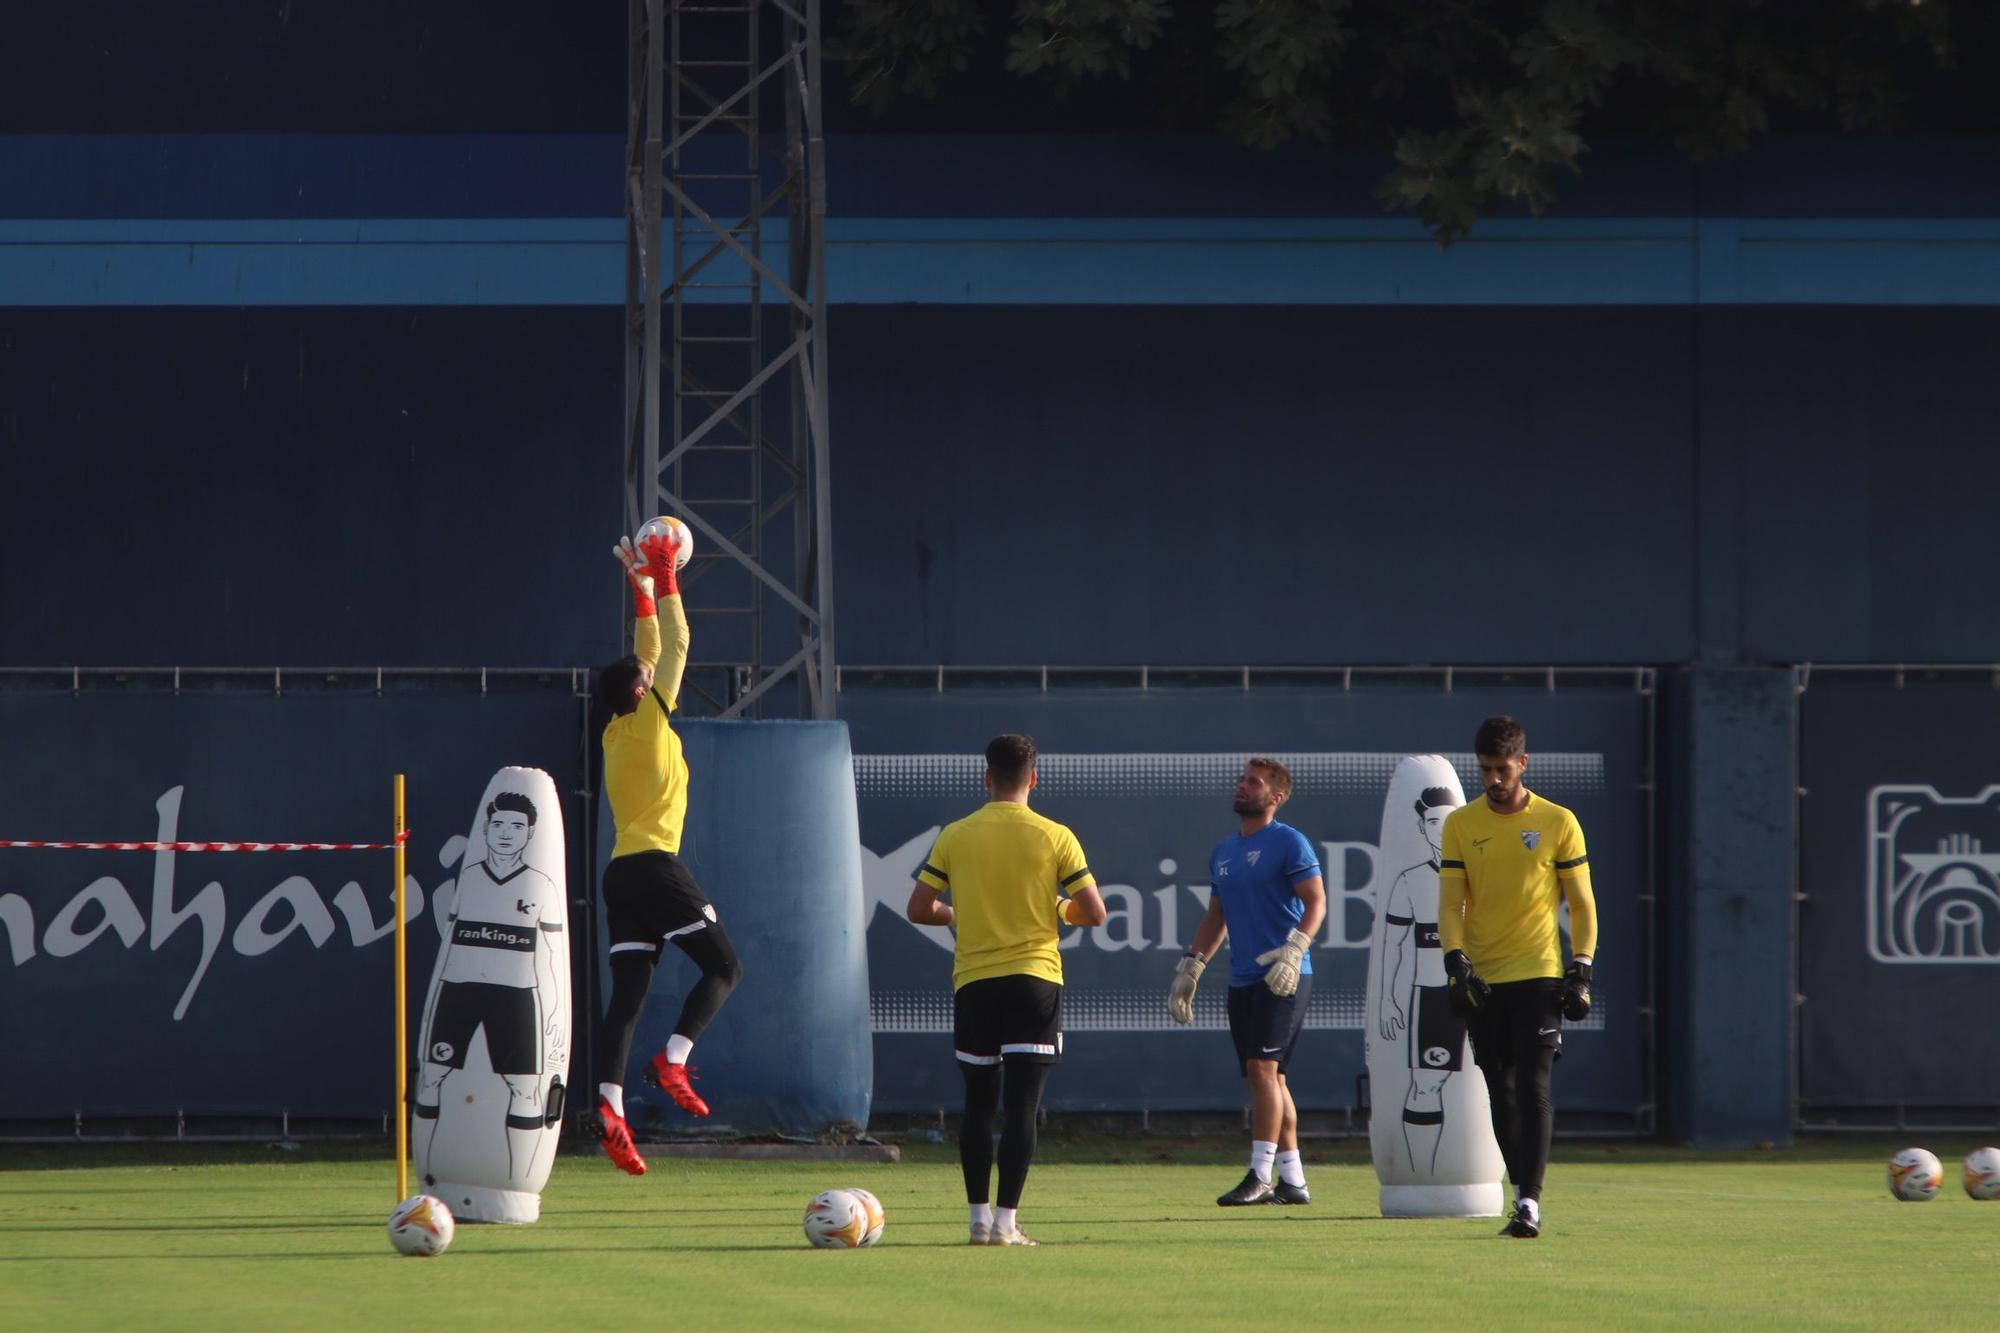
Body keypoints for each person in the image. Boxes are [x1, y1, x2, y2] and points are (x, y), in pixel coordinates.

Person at [906, 734, 1108, 1246]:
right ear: (1034, 779)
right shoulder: (1055, 835)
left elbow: (919, 908)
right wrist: (1058, 909)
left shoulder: (957, 834)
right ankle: (1006, 1225)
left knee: (977, 1104)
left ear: (986, 776)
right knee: (1022, 1105)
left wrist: (959, 912)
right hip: (1035, 980)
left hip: (975, 982)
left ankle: (977, 1221)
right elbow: (1093, 912)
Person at [589, 527, 745, 1176]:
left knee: (627, 995)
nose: (657, 675)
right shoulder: (651, 719)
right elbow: (676, 644)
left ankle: (610, 1105)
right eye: (650, 680)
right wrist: (667, 577)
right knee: (724, 967)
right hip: (654, 867)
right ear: (643, 692)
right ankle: (673, 1058)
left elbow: (648, 651)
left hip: (619, 876)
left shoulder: (614, 731)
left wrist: (641, 589)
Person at [1438, 715, 1598, 1239]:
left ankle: (1530, 1201)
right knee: (1499, 1090)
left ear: (1522, 764)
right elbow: (1451, 903)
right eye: (1485, 769)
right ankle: (1519, 1196)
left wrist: (1582, 968)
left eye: (1502, 768)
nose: (1493, 779)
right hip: (1485, 978)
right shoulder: (1461, 824)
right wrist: (1455, 958)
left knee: (1534, 1086)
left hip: (1539, 972)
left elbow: (1581, 902)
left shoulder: (1558, 821)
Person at [1168, 758, 1327, 1206]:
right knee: (1271, 1080)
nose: (1242, 787)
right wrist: (1192, 964)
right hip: (1243, 979)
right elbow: (1216, 916)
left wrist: (1295, 951)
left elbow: (1317, 903)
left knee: (1263, 1071)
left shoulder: (1289, 843)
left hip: (1284, 975)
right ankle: (1294, 1180)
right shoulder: (1224, 851)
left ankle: (1260, 1175)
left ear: (1274, 797)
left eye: (1252, 782)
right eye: (1242, 780)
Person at [412, 790, 565, 1178]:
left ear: (530, 834)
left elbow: (548, 954)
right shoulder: (470, 881)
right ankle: (431, 1175)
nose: (506, 833)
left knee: (526, 1089)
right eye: (498, 824)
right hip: (459, 991)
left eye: (517, 826)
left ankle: (516, 1180)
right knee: (432, 1078)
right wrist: (431, 1012)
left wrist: (554, 1009)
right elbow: (448, 947)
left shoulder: (540, 886)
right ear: (486, 828)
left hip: (515, 998)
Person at [1378, 785, 1466, 1173]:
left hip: (1488, 992)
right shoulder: (1410, 881)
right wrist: (1386, 998)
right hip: (1434, 996)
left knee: (1498, 1085)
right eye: (1433, 821)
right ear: (1421, 826)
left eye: (1448, 821)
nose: (1441, 829)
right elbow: (1392, 945)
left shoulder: (1482, 875)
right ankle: (1423, 1180)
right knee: (1426, 1085)